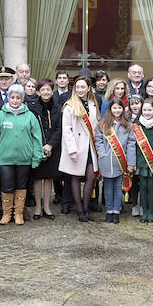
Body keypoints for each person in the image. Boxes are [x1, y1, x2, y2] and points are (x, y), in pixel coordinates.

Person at [0, 84, 43, 226]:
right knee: (6, 186)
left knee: (21, 186)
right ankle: (7, 214)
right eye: (12, 97)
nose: (15, 100)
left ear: (22, 99)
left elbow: (37, 138)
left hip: (24, 159)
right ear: (8, 98)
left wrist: (36, 157)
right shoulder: (0, 115)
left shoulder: (30, 116)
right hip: (5, 159)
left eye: (18, 97)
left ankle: (18, 214)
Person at [61, 76, 101, 222]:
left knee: (91, 177)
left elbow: (95, 127)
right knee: (76, 177)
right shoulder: (70, 106)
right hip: (77, 147)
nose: (79, 90)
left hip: (90, 146)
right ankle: (79, 209)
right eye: (77, 87)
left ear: (89, 88)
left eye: (83, 87)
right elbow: (67, 130)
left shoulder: (92, 104)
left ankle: (85, 208)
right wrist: (72, 150)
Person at [92, 98, 134, 224]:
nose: (117, 110)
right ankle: (109, 210)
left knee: (118, 187)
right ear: (110, 109)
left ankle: (116, 211)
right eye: (114, 108)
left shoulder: (128, 125)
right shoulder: (103, 124)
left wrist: (131, 162)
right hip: (106, 161)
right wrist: (102, 154)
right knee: (108, 187)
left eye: (119, 108)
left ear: (123, 109)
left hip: (121, 162)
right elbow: (98, 141)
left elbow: (131, 144)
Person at [28, 79, 61, 220]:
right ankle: (37, 207)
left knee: (48, 178)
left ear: (52, 90)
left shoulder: (58, 107)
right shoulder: (32, 106)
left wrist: (51, 145)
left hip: (53, 147)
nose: (46, 92)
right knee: (37, 177)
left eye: (48, 90)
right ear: (38, 91)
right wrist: (41, 145)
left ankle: (47, 207)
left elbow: (60, 129)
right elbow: (30, 128)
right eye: (43, 90)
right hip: (37, 147)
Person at [131, 100, 153, 224]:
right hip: (141, 162)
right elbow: (132, 145)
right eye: (144, 110)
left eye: (149, 110)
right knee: (143, 187)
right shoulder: (136, 125)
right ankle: (143, 211)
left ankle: (150, 212)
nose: (147, 113)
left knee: (151, 187)